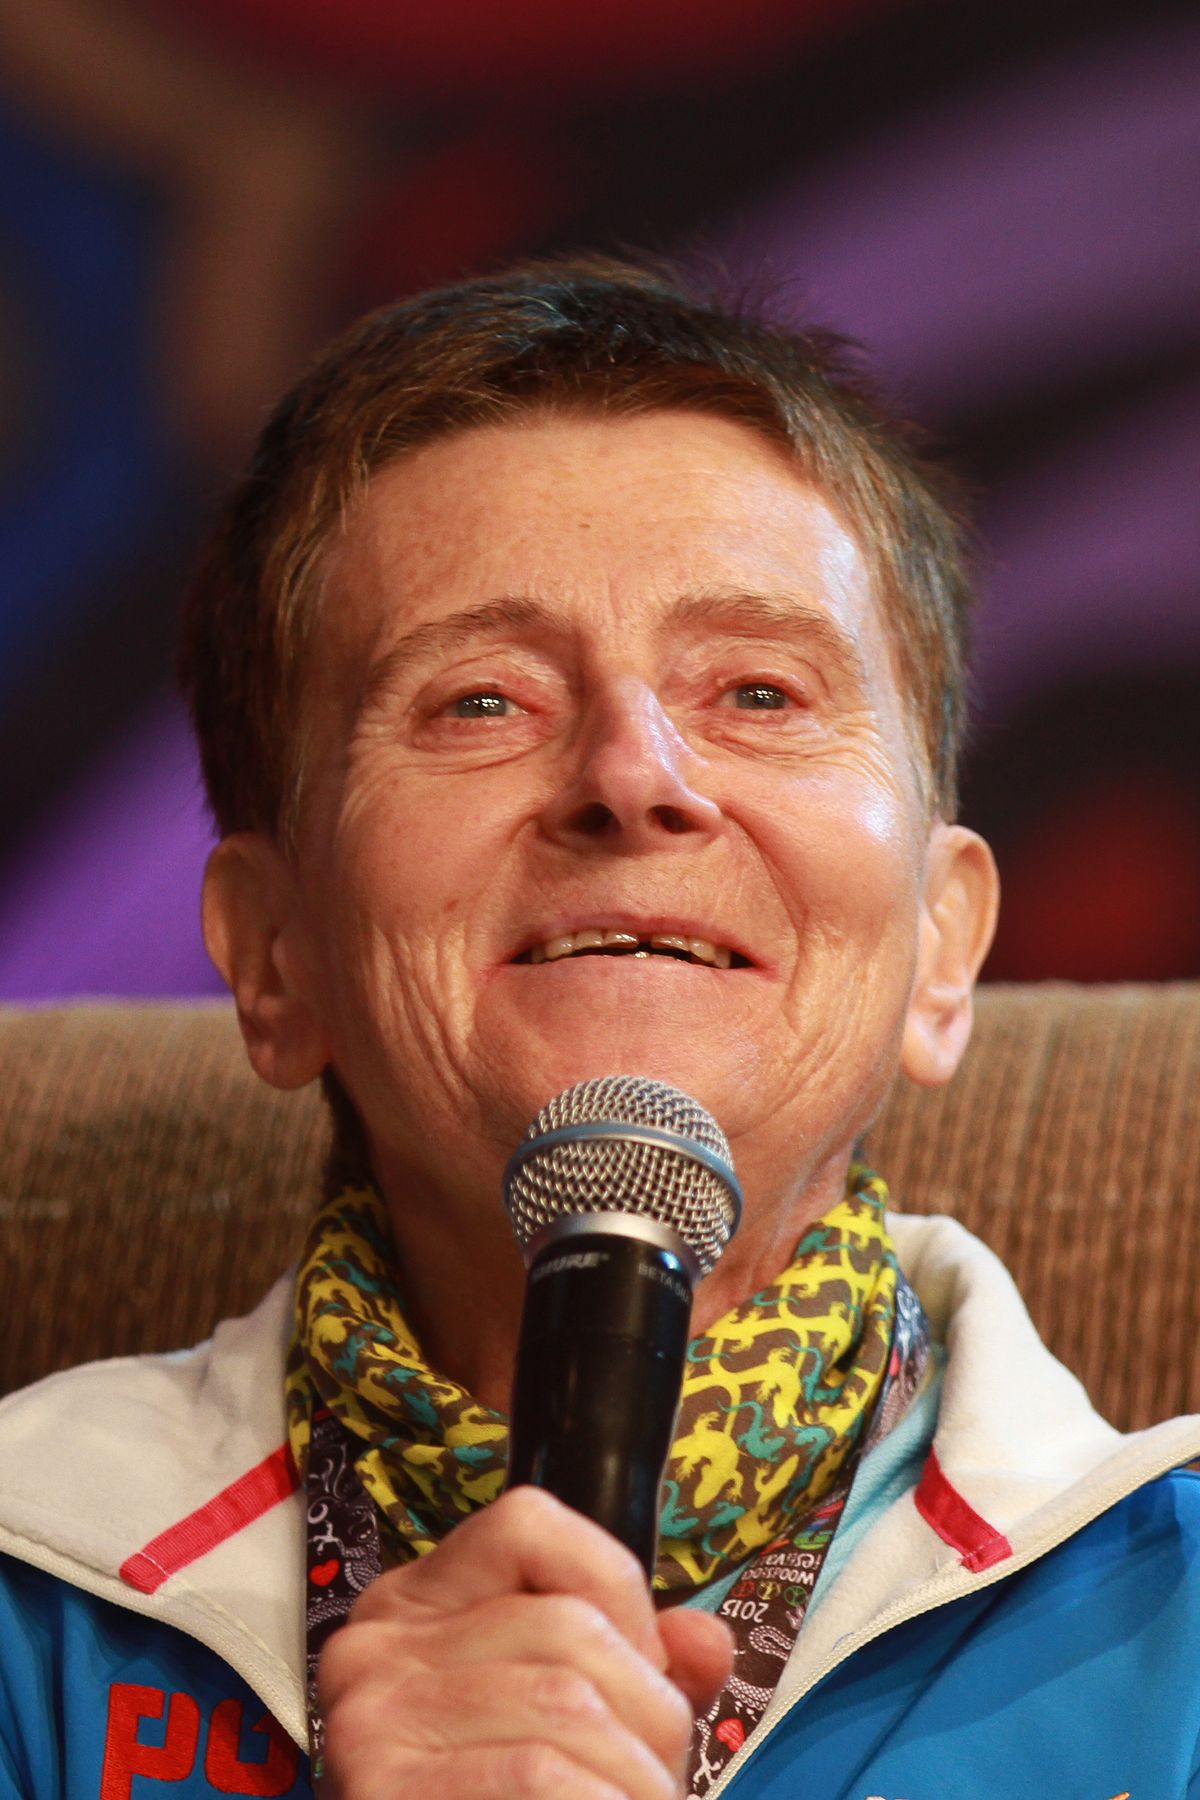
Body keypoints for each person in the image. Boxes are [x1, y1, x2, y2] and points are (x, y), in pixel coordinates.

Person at [1, 256, 1198, 1800]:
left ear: (942, 947)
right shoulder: (32, 1581)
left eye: (759, 693)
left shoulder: (1173, 1609)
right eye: (480, 702)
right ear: (273, 956)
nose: (635, 776)